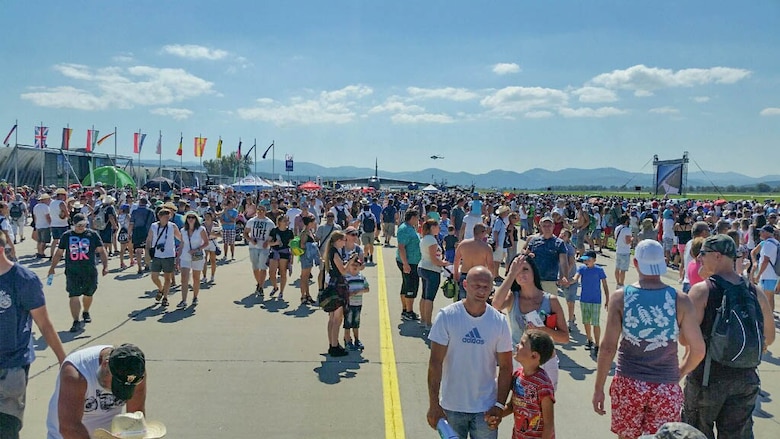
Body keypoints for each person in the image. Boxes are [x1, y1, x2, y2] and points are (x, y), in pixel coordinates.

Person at [593, 240, 705, 439]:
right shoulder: (680, 299)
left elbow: (608, 347)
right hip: (665, 386)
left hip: (628, 383)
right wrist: (677, 374)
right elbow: (698, 350)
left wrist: (599, 388)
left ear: (636, 263)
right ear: (662, 263)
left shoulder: (620, 298)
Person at [683, 234, 775, 438]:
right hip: (746, 378)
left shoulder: (701, 291)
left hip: (707, 379)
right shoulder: (754, 291)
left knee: (695, 432)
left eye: (703, 254)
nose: (699, 259)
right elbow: (769, 337)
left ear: (717, 256)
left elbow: (685, 339)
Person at [427, 266, 513, 439]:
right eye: (476, 286)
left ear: (491, 289)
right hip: (451, 407)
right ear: (465, 285)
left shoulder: (499, 322)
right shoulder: (447, 316)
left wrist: (499, 405)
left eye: (485, 287)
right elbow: (435, 362)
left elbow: (506, 367)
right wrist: (434, 404)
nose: (481, 291)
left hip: (486, 409)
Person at [0, 230, 66, 439]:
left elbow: (44, 323)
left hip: (12, 366)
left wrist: (64, 361)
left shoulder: (23, 280)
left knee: (7, 428)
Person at [492, 254, 570, 390]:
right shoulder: (513, 297)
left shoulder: (551, 300)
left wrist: (542, 330)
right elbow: (496, 304)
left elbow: (564, 338)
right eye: (517, 270)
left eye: (525, 269)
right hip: (519, 360)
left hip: (545, 361)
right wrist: (511, 275)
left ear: (534, 271)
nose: (521, 274)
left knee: (544, 401)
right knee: (518, 400)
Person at [46, 344, 148, 439]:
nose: (115, 391)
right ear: (105, 364)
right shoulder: (77, 373)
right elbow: (69, 427)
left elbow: (134, 418)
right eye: (116, 385)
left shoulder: (135, 373)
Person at [48, 214, 109, 333]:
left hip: (89, 271)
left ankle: (85, 311)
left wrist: (105, 266)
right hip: (72, 271)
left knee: (88, 294)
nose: (81, 227)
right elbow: (59, 253)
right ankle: (76, 321)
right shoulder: (67, 236)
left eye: (83, 225)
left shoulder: (92, 235)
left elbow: (102, 251)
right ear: (73, 225)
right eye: (78, 225)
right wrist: (52, 268)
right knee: (73, 295)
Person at [497, 330, 556, 439]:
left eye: (522, 344)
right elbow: (512, 406)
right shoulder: (517, 375)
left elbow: (549, 425)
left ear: (534, 356)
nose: (517, 346)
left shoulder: (543, 385)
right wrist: (496, 415)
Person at [571, 250, 609, 356]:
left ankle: (597, 344)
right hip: (584, 299)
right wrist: (568, 281)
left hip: (596, 300)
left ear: (594, 260)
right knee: (586, 321)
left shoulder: (599, 270)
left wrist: (607, 299)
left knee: (595, 323)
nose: (586, 262)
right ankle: (589, 339)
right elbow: (575, 278)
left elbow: (605, 285)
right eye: (584, 260)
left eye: (588, 260)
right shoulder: (582, 269)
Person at [523, 216, 570, 295]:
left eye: (549, 226)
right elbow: (525, 257)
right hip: (534, 279)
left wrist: (565, 276)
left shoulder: (559, 243)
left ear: (553, 226)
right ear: (540, 227)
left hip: (550, 280)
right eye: (544, 226)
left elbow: (564, 262)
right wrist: (528, 255)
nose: (547, 228)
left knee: (549, 302)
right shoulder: (534, 241)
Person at [418, 219, 449, 330]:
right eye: (437, 227)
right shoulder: (432, 240)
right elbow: (434, 259)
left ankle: (423, 319)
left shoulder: (425, 238)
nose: (439, 229)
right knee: (429, 298)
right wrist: (444, 263)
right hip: (431, 269)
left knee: (424, 295)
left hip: (423, 266)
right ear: (432, 228)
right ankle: (428, 322)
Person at [147, 209, 181, 308]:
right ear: (160, 217)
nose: (167, 219)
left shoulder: (172, 226)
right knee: (154, 276)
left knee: (167, 278)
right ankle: (161, 289)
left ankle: (165, 297)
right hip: (156, 255)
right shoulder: (154, 226)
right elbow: (149, 240)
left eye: (168, 217)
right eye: (165, 217)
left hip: (169, 255)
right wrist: (147, 253)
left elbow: (180, 237)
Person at [323, 231, 348, 357]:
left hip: (331, 284)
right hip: (338, 285)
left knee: (332, 318)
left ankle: (332, 343)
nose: (345, 242)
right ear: (338, 241)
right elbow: (343, 271)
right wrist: (350, 261)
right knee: (337, 319)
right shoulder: (335, 253)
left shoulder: (329, 252)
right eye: (343, 240)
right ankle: (334, 346)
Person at [453, 223, 493, 300]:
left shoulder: (463, 244)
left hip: (465, 274)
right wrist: (490, 280)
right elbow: (490, 265)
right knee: (477, 300)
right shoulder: (486, 247)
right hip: (479, 276)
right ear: (483, 232)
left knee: (463, 300)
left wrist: (456, 274)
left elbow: (456, 260)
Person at [177, 211, 208, 308]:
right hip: (185, 256)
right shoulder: (183, 230)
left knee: (196, 278)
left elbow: (206, 243)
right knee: (184, 278)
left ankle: (195, 296)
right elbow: (182, 244)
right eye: (189, 217)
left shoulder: (201, 229)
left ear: (196, 219)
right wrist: (178, 258)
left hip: (197, 256)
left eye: (193, 217)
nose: (190, 219)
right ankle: (183, 300)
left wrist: (196, 249)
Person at [244, 205, 275, 296]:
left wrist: (268, 241)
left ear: (265, 211)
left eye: (262, 210)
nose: (260, 212)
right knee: (255, 267)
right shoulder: (251, 221)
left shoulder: (270, 223)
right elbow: (245, 233)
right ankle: (259, 283)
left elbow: (273, 235)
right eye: (258, 210)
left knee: (263, 267)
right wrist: (250, 240)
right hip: (253, 247)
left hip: (264, 248)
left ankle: (261, 287)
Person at [396, 209, 422, 321]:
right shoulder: (405, 229)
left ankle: (406, 309)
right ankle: (409, 311)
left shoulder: (410, 227)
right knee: (411, 286)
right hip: (409, 262)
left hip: (412, 261)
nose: (418, 220)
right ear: (413, 218)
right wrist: (405, 263)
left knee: (406, 285)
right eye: (417, 218)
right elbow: (401, 247)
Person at [343, 253, 369, 351]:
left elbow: (367, 289)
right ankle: (347, 340)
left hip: (358, 304)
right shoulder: (347, 277)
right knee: (348, 323)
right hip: (349, 304)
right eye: (353, 265)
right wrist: (348, 294)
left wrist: (358, 291)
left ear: (360, 267)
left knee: (356, 323)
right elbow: (343, 290)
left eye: (357, 265)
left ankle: (357, 340)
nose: (354, 267)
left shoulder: (361, 277)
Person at [752, 224, 778, 311]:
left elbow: (765, 261)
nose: (760, 233)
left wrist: (758, 275)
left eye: (762, 231)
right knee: (770, 297)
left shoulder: (768, 244)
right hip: (773, 274)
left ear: (767, 233)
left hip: (767, 274)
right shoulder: (776, 243)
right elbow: (753, 252)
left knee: (765, 298)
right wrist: (755, 262)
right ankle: (770, 315)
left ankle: (767, 316)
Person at [268, 215, 294, 299]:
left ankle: (281, 292)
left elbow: (292, 245)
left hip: (284, 252)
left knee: (283, 272)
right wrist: (275, 243)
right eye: (284, 221)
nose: (286, 222)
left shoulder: (289, 232)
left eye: (287, 221)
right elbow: (268, 242)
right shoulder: (274, 231)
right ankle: (275, 287)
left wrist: (292, 257)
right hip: (275, 251)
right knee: (272, 272)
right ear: (279, 222)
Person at [129, 198, 155, 275]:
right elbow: (154, 224)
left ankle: (139, 268)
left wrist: (129, 233)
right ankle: (147, 265)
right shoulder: (151, 212)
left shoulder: (135, 212)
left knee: (138, 250)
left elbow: (131, 223)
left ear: (140, 203)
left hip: (137, 233)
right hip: (148, 233)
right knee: (147, 249)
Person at [298, 216, 320, 305]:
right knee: (304, 277)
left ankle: (307, 295)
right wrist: (311, 246)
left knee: (307, 277)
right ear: (310, 223)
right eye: (313, 222)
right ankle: (303, 296)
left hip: (309, 256)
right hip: (305, 256)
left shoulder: (309, 231)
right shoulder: (304, 233)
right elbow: (302, 245)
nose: (314, 223)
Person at [49, 188, 71, 259]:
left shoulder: (52, 203)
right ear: (61, 195)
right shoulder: (61, 203)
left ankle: (52, 255)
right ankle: (61, 255)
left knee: (55, 240)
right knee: (64, 241)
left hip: (54, 224)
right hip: (62, 224)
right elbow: (67, 213)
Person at [614, 214, 633, 288]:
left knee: (617, 268)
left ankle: (617, 283)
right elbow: (627, 241)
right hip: (625, 251)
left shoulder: (617, 228)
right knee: (623, 270)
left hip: (618, 249)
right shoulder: (627, 230)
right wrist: (632, 239)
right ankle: (621, 284)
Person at [202, 210, 220, 284]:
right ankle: (204, 276)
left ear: (211, 217)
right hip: (205, 242)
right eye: (205, 217)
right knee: (204, 261)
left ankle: (212, 276)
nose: (207, 218)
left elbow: (219, 234)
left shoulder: (215, 224)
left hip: (213, 242)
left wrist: (213, 234)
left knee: (213, 260)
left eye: (208, 217)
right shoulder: (202, 225)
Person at [33, 193, 52, 259]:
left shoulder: (36, 206)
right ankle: (41, 253)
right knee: (44, 241)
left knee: (39, 241)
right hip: (45, 226)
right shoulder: (46, 207)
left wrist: (36, 224)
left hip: (38, 225)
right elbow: (48, 217)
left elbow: (35, 217)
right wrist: (50, 224)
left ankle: (39, 252)